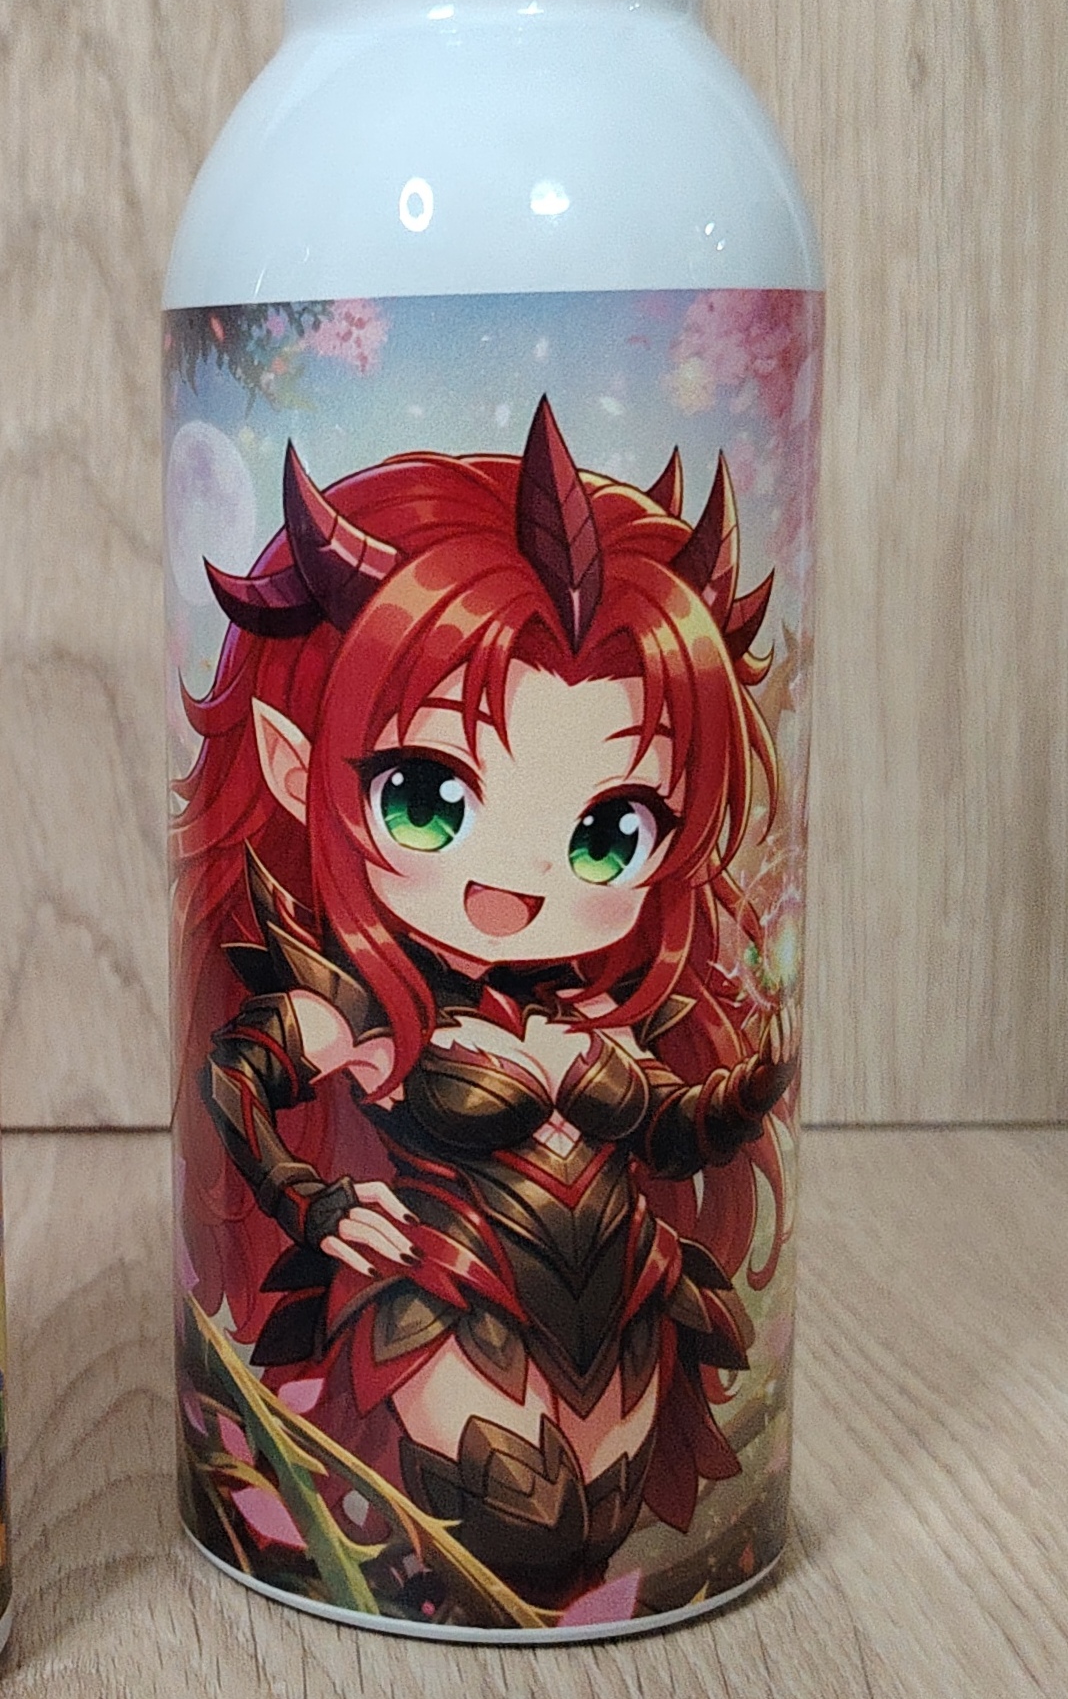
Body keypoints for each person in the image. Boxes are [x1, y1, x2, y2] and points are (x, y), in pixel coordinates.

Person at [173, 398, 796, 1608]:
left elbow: (674, 1131)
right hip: (444, 1305)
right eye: (427, 801)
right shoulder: (371, 1012)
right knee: (509, 1520)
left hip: (621, 1303)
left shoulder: (607, 1018)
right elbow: (238, 1074)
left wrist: (744, 1089)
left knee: (601, 1516)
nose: (517, 888)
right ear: (301, 772)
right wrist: (310, 1198)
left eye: (613, 831)